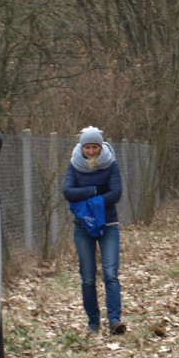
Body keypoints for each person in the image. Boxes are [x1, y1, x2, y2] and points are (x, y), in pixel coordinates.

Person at [63, 126, 126, 335]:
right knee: (88, 277)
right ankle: (93, 323)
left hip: (109, 225)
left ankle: (115, 320)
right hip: (83, 226)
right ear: (82, 148)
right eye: (87, 147)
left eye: (95, 147)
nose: (91, 151)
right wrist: (96, 193)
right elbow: (68, 192)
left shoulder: (111, 164)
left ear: (101, 147)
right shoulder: (74, 165)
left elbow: (116, 193)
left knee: (110, 274)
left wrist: (88, 200)